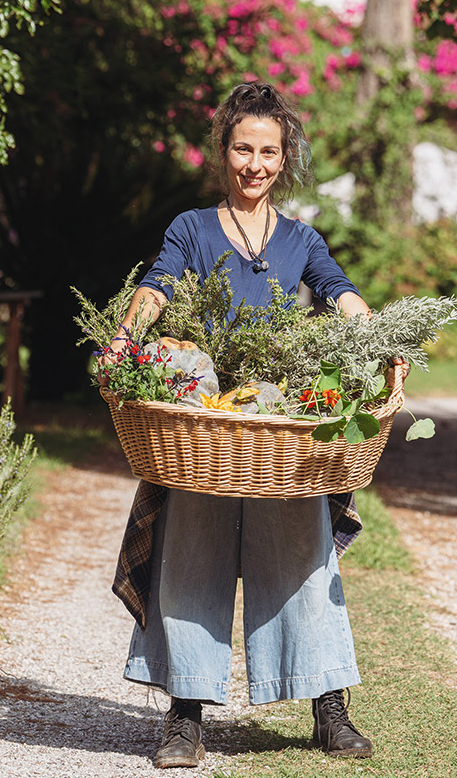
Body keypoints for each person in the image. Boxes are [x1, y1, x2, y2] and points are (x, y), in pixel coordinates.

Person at [108, 81, 383, 769]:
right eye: (242, 148)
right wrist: (124, 339)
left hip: (279, 421)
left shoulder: (301, 238)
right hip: (205, 423)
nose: (254, 164)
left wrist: (381, 342)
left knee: (303, 554)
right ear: (223, 151)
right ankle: (184, 716)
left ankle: (329, 708)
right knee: (190, 554)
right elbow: (157, 285)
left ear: (284, 158)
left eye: (268, 151)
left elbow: (342, 292)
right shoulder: (193, 228)